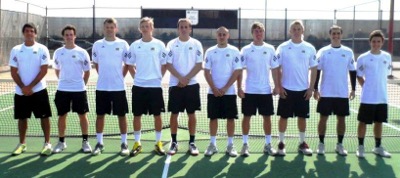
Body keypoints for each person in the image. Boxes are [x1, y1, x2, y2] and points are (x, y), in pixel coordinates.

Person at [275, 20, 317, 156]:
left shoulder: (310, 48)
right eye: (294, 29)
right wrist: (279, 86)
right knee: (283, 117)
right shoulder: (282, 47)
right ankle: (281, 143)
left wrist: (311, 88)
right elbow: (276, 68)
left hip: (303, 91)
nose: (296, 31)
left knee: (302, 117)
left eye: (299, 29)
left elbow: (314, 69)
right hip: (286, 90)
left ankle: (302, 143)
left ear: (302, 31)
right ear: (290, 31)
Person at [9, 23, 52, 156]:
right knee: (22, 118)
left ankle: (47, 144)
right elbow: (13, 71)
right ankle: (22, 144)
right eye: (27, 31)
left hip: (39, 90)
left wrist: (31, 86)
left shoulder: (42, 49)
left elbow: (44, 70)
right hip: (21, 92)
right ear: (23, 33)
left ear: (35, 34)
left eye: (32, 31)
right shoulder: (16, 50)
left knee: (44, 117)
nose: (29, 33)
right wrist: (23, 87)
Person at [126, 17, 167, 156]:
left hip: (155, 87)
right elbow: (129, 64)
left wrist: (159, 77)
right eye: (142, 26)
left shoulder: (160, 44)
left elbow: (165, 63)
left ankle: (158, 143)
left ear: (152, 28)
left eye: (147, 26)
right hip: (139, 87)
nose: (145, 28)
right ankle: (137, 143)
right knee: (137, 115)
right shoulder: (134, 45)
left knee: (157, 115)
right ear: (140, 28)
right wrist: (136, 77)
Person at [237, 22, 279, 157]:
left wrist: (277, 85)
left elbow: (275, 69)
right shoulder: (245, 50)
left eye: (260, 31)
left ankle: (268, 144)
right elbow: (240, 70)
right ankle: (245, 144)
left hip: (265, 91)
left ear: (263, 33)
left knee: (267, 118)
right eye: (256, 31)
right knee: (246, 117)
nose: (258, 33)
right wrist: (239, 87)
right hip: (249, 91)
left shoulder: (271, 49)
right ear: (252, 33)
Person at [313, 25, 356, 156]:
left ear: (341, 35)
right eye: (333, 33)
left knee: (341, 119)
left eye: (338, 33)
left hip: (342, 93)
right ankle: (321, 144)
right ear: (330, 35)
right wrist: (315, 89)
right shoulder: (323, 52)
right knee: (323, 118)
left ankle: (340, 145)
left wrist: (353, 89)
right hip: (325, 93)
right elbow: (317, 71)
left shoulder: (348, 52)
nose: (336, 36)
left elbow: (352, 71)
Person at [91, 18, 130, 156]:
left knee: (121, 115)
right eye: (107, 27)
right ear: (104, 28)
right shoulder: (97, 44)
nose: (109, 29)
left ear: (116, 28)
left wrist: (121, 77)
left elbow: (127, 63)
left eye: (112, 27)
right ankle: (99, 143)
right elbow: (96, 64)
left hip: (119, 88)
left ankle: (124, 143)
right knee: (100, 116)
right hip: (102, 88)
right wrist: (104, 76)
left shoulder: (123, 44)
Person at [165, 18, 203, 156]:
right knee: (174, 114)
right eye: (181, 27)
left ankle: (192, 143)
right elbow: (168, 64)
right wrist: (180, 78)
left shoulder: (196, 44)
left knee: (191, 114)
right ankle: (174, 142)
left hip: (192, 85)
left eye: (186, 27)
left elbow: (199, 65)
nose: (184, 29)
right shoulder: (171, 44)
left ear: (190, 29)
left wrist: (186, 79)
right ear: (178, 28)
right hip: (175, 85)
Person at [52, 25, 92, 154]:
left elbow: (87, 72)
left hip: (79, 90)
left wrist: (81, 85)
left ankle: (85, 141)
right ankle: (61, 142)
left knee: (82, 116)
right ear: (63, 37)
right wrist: (64, 81)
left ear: (75, 36)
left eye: (71, 34)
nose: (69, 37)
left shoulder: (82, 52)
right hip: (62, 90)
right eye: (66, 35)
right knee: (62, 116)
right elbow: (57, 70)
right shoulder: (58, 52)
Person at [204, 26, 242, 157]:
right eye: (219, 34)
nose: (221, 36)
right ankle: (212, 145)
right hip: (213, 92)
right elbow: (206, 71)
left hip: (229, 92)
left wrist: (225, 88)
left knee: (230, 119)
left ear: (228, 36)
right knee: (213, 118)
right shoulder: (210, 51)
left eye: (224, 34)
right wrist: (214, 88)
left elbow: (237, 71)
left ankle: (230, 145)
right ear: (216, 36)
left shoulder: (234, 51)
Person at [355, 30, 392, 158]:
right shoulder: (362, 58)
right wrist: (366, 87)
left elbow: (386, 74)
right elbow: (359, 76)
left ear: (382, 43)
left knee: (379, 122)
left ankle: (377, 147)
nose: (376, 44)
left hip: (382, 98)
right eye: (374, 41)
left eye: (378, 41)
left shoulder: (387, 57)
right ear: (370, 42)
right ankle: (360, 147)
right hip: (367, 98)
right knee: (363, 122)